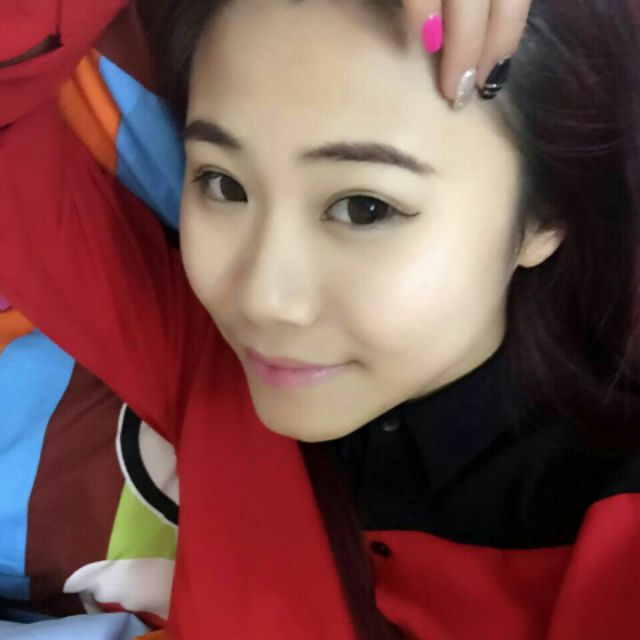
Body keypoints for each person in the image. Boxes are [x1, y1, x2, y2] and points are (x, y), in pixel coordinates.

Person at [2, 1, 640, 639]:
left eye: (364, 208)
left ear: (545, 215)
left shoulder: (614, 524)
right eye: (223, 185)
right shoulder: (203, 365)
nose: (264, 300)